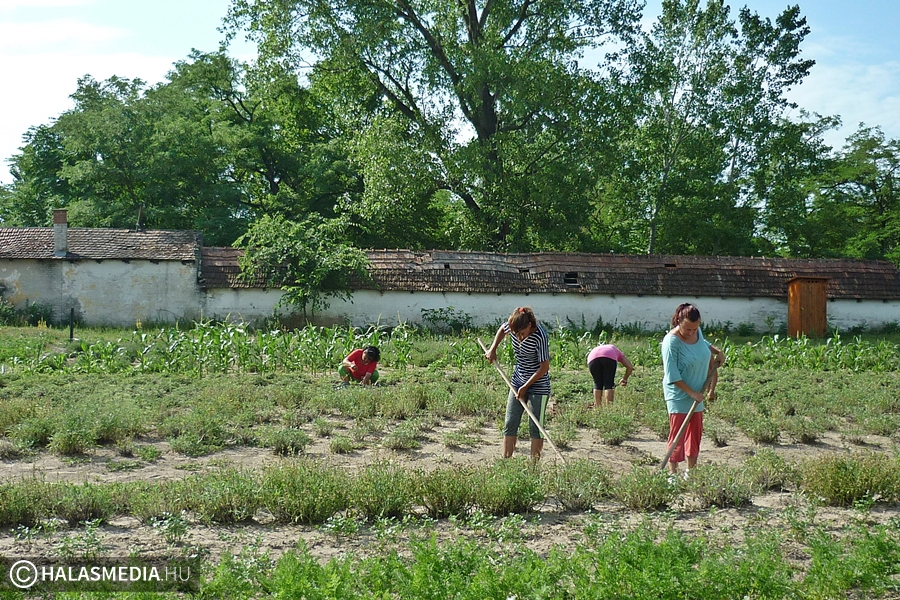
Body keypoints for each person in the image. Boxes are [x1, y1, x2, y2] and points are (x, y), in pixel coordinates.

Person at [661, 303, 725, 478]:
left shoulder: (697, 331)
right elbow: (672, 375)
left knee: (695, 434)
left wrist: (717, 351)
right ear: (679, 321)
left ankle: (691, 472)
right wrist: (691, 393)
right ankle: (672, 475)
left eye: (694, 329)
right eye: (687, 329)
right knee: (678, 435)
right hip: (679, 395)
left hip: (698, 392)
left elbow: (704, 344)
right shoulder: (671, 342)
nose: (691, 333)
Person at [484, 307, 551, 460]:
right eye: (516, 334)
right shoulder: (513, 326)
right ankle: (506, 462)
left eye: (522, 334)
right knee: (510, 423)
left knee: (536, 427)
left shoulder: (540, 336)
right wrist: (493, 349)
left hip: (538, 385)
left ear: (529, 325)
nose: (519, 338)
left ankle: (534, 468)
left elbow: (544, 367)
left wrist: (526, 387)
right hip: (517, 381)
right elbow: (502, 328)